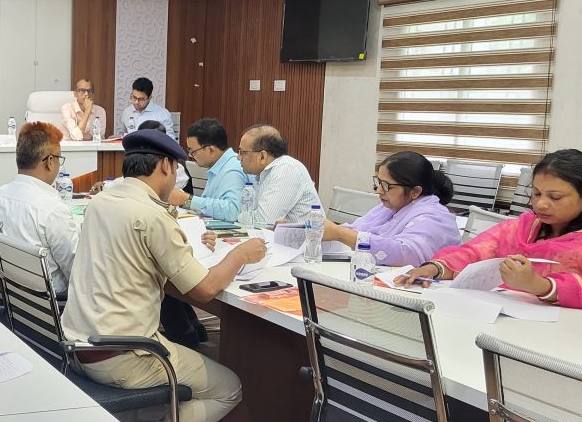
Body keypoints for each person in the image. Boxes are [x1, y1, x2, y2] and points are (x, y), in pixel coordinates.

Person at [61, 130, 266, 422]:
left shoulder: (100, 201)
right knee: (228, 388)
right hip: (123, 356)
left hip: (77, 345)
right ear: (166, 166)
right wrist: (239, 254)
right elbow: (205, 289)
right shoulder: (153, 216)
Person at [396, 149, 582, 309]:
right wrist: (435, 268)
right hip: (495, 316)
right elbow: (474, 253)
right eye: (536, 193)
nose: (541, 204)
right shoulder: (520, 228)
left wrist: (537, 285)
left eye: (555, 197)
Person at [0, 122, 80, 295]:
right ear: (50, 162)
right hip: (51, 302)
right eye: (59, 159)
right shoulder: (53, 210)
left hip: (8, 295)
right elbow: (77, 272)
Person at [323, 151, 460, 267]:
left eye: (386, 185)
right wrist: (331, 231)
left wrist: (339, 233)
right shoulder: (389, 208)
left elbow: (406, 254)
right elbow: (354, 231)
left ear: (415, 192)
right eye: (378, 182)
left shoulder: (433, 217)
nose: (379, 190)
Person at [235, 124, 320, 226]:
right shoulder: (263, 174)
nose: (238, 157)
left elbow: (264, 222)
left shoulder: (287, 169)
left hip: (310, 236)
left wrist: (240, 216)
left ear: (262, 156)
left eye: (242, 152)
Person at [177, 118, 246, 222]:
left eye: (193, 151)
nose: (190, 156)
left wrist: (187, 200)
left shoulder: (232, 169)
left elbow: (233, 211)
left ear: (211, 150)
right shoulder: (218, 165)